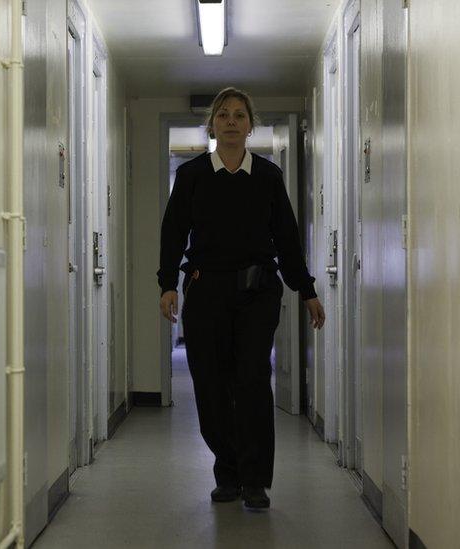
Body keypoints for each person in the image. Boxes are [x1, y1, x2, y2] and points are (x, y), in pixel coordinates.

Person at [157, 87, 326, 511]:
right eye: (223, 115)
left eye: (239, 115)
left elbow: (286, 238)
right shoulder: (193, 175)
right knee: (211, 385)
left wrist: (305, 289)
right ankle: (227, 472)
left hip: (256, 294)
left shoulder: (268, 177)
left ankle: (254, 481)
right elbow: (173, 231)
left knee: (251, 382)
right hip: (207, 290)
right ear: (212, 125)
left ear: (250, 125)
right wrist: (167, 283)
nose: (231, 121)